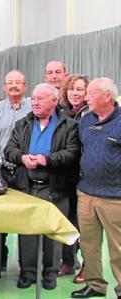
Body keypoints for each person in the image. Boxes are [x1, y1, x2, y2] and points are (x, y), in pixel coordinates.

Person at [4, 83, 80, 290]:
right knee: (27, 232)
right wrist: (22, 157)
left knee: (52, 234)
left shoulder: (70, 125)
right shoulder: (23, 123)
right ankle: (27, 273)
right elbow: (9, 149)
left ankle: (50, 274)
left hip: (55, 187)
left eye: (40, 99)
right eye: (34, 99)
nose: (35, 102)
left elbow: (72, 153)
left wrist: (47, 160)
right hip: (27, 186)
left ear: (54, 101)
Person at [70, 78, 121, 299]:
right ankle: (95, 284)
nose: (86, 97)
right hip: (86, 193)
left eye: (91, 93)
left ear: (107, 96)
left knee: (118, 247)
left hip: (115, 197)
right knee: (88, 244)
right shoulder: (85, 120)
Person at [0, 70, 32, 270]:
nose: (14, 86)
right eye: (10, 83)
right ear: (3, 87)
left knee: (25, 215)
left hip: (25, 170)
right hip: (1, 169)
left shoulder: (32, 108)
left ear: (25, 86)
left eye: (18, 82)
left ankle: (26, 263)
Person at [58, 74, 90, 282]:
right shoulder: (61, 113)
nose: (75, 93)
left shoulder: (90, 114)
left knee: (86, 225)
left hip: (85, 177)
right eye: (71, 89)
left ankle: (89, 266)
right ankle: (69, 262)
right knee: (67, 221)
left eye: (80, 89)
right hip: (64, 176)